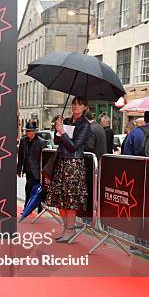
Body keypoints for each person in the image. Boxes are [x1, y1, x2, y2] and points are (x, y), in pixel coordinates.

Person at [46, 96, 91, 243]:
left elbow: (74, 146)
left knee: (70, 199)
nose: (75, 106)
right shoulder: (66, 121)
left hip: (74, 165)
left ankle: (70, 229)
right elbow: (57, 141)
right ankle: (66, 228)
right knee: (60, 198)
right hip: (62, 162)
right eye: (74, 104)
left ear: (85, 107)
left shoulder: (85, 125)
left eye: (79, 104)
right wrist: (57, 128)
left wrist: (63, 132)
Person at [17, 121, 46, 213]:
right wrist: (19, 169)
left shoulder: (41, 142)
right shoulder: (23, 141)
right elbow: (21, 156)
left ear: (34, 131)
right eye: (27, 130)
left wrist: (44, 172)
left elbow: (44, 158)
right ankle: (27, 207)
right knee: (28, 188)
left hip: (38, 171)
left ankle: (38, 208)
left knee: (37, 190)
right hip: (28, 170)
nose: (27, 132)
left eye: (30, 131)